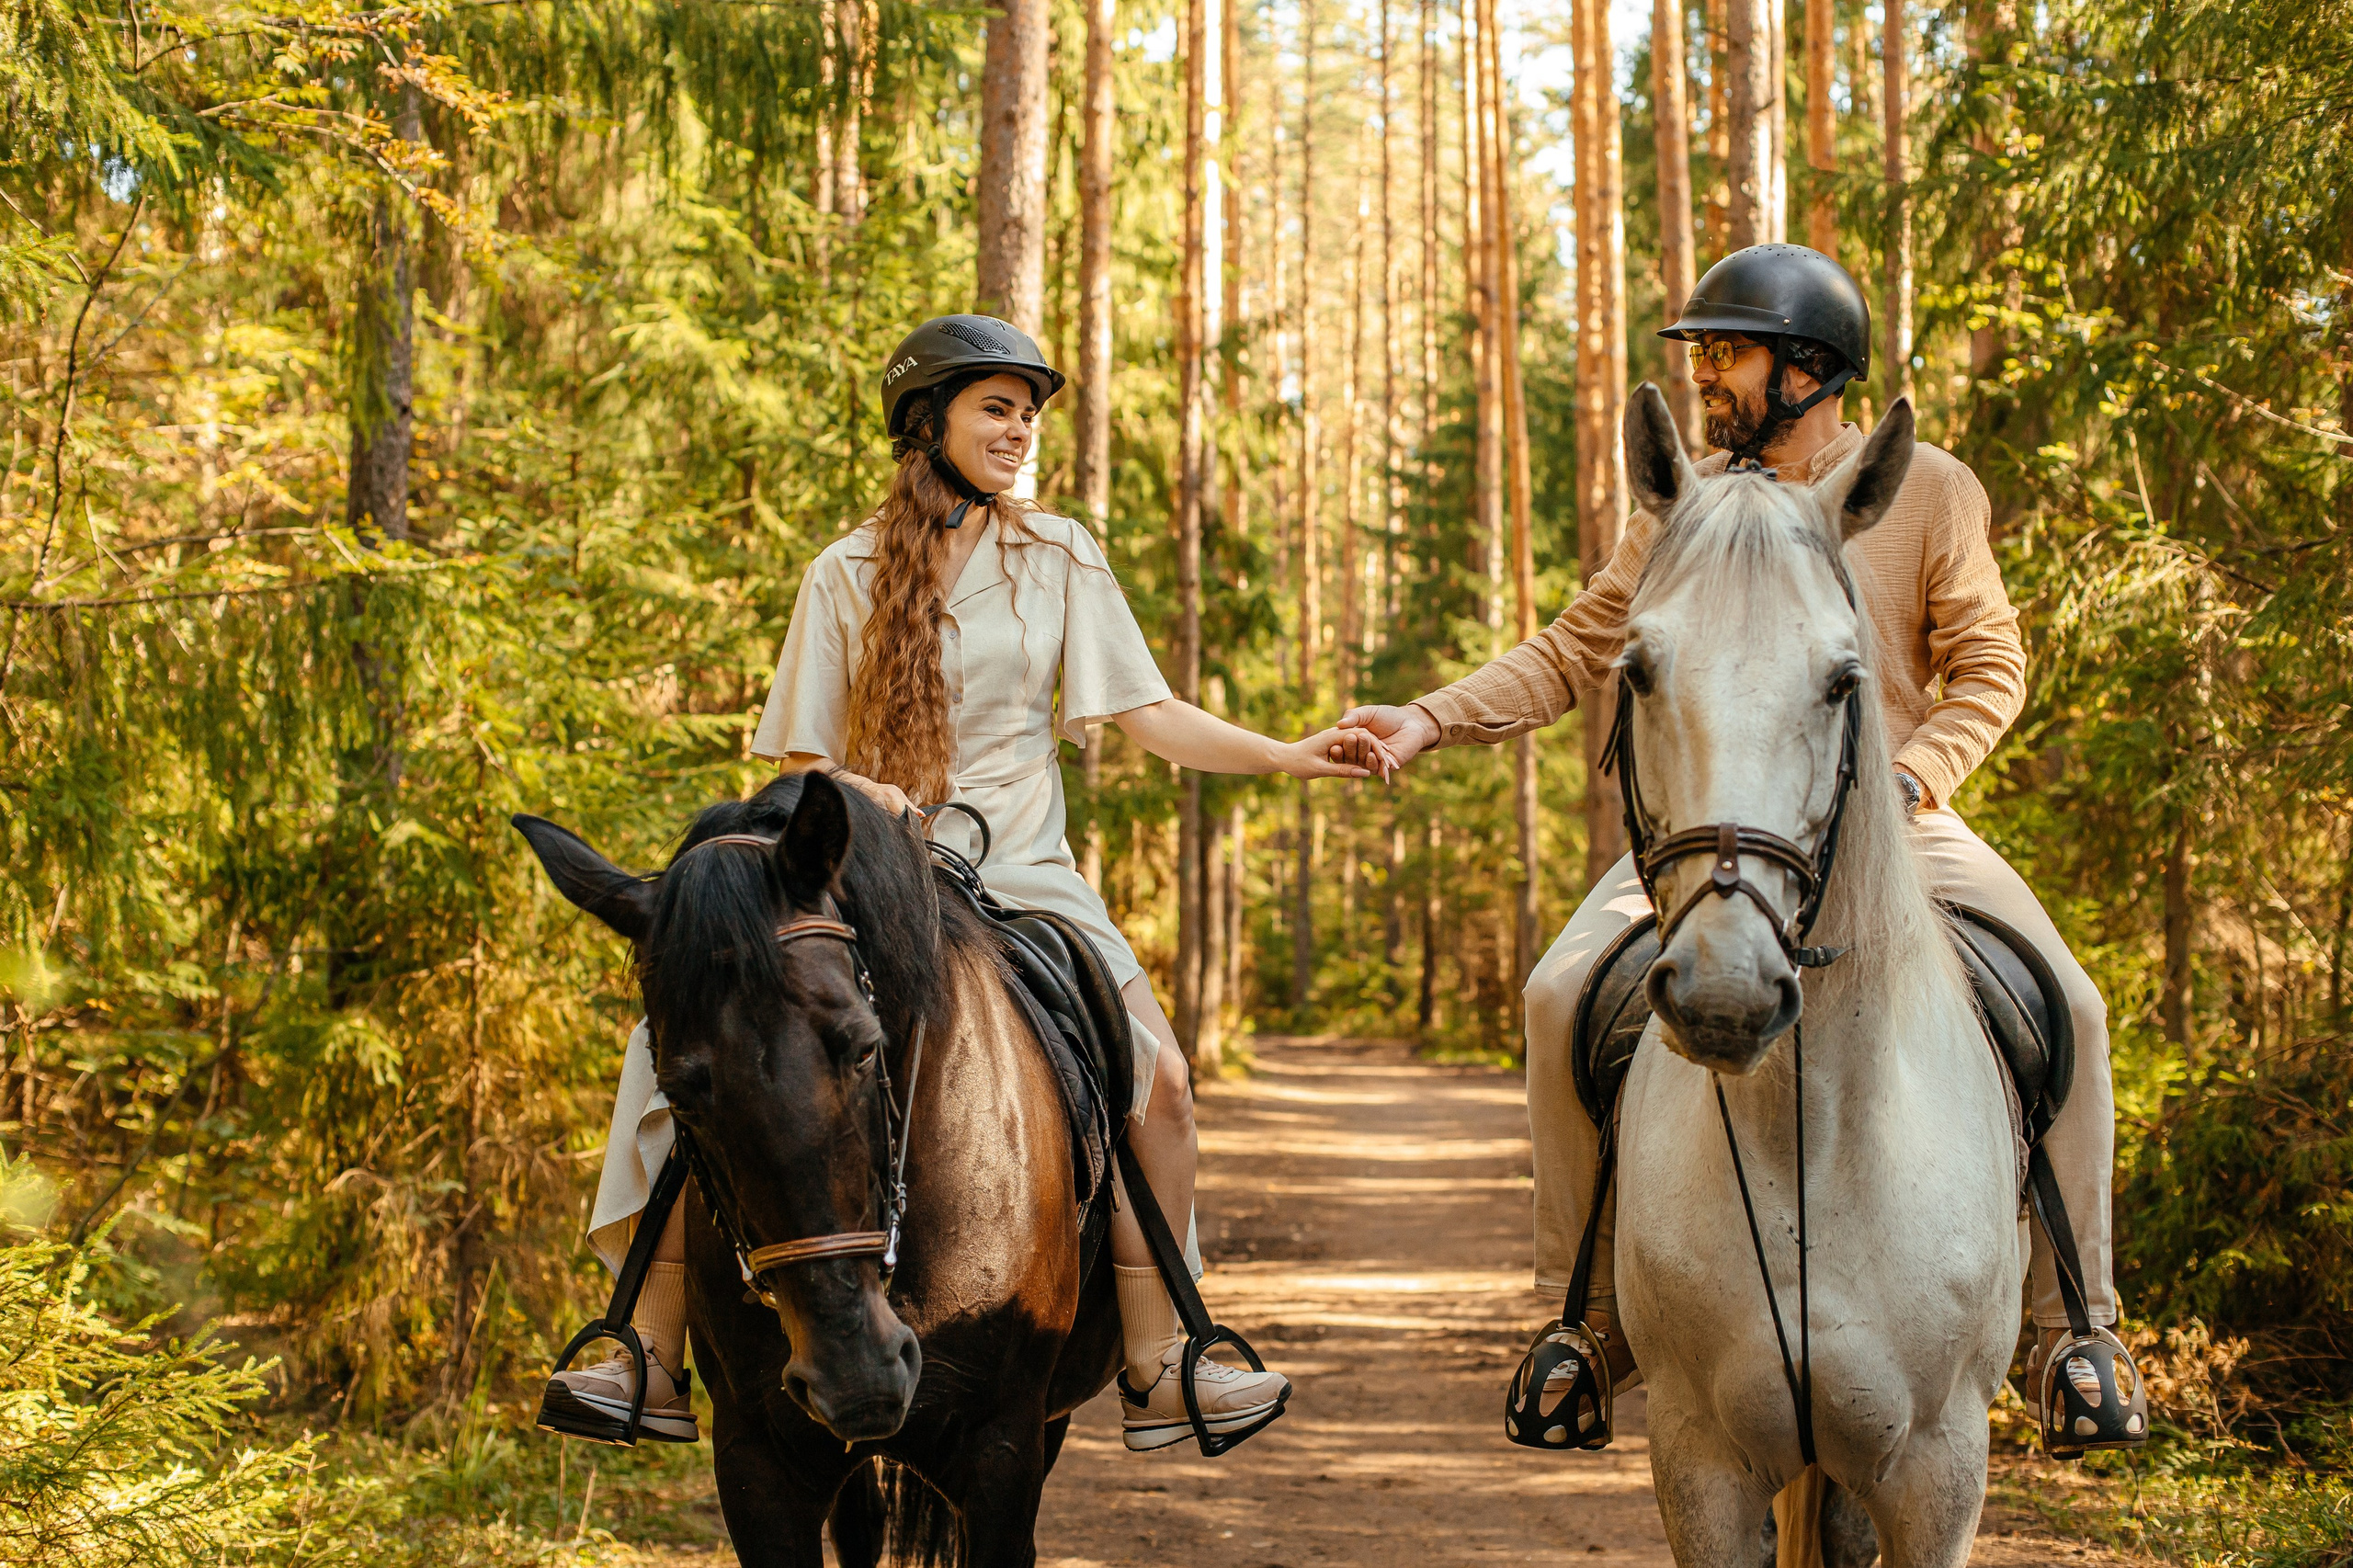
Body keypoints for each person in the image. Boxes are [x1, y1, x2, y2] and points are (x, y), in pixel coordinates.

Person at [1331, 244, 2142, 1451]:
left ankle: (2074, 1328)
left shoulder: (1931, 492)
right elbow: (1573, 650)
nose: (1706, 375)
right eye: (1699, 354)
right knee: (1560, 995)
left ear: (1810, 370)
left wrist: (1918, 778)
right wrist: (1429, 717)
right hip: (1714, 827)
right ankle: (1585, 1319)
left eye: (1728, 351)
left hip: (1895, 821)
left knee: (2070, 1005)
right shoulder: (1683, 505)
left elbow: (1990, 670)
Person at [549, 313, 1389, 1452]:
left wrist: (1290, 751)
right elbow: (801, 762)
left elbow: (1146, 713)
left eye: (1027, 410)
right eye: (996, 406)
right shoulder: (840, 573)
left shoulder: (1059, 556)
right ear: (926, 421)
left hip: (1025, 876)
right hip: (857, 880)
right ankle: (639, 1352)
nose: (1019, 428)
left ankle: (1160, 1354)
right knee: (672, 1049)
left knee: (1168, 1080)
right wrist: (869, 794)